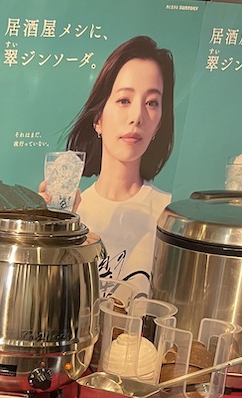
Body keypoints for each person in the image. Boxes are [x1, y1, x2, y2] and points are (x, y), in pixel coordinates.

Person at [47, 36, 175, 296]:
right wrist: (49, 230)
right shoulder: (72, 212)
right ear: (98, 119)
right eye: (124, 100)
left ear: (159, 124)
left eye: (151, 103)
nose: (137, 117)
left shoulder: (170, 217)